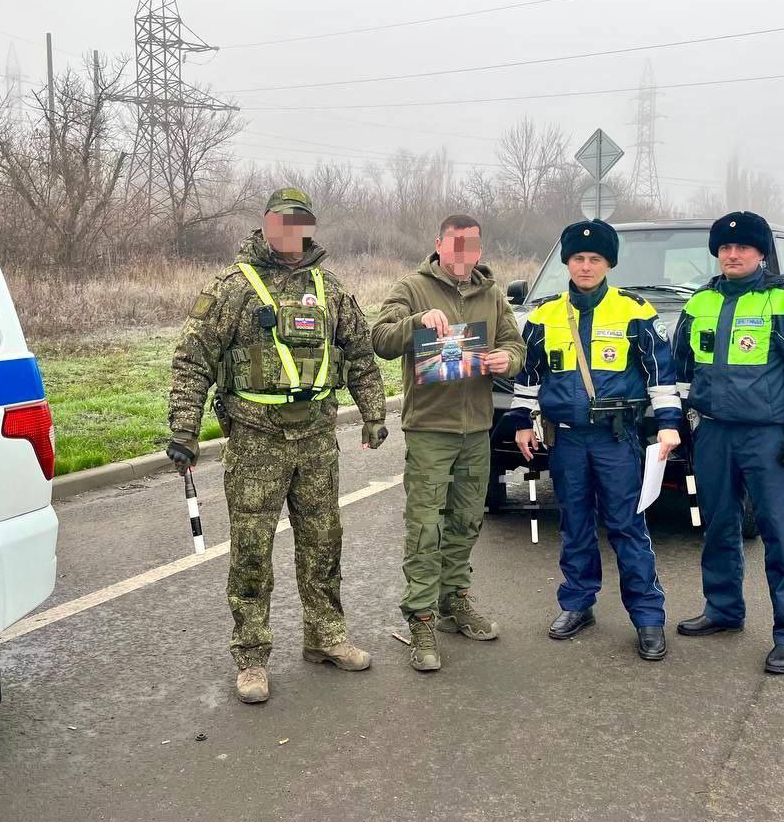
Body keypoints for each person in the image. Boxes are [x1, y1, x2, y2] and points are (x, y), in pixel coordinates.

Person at [166, 187, 389, 704]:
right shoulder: (231, 287)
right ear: (266, 223)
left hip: (315, 439)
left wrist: (375, 413)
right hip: (256, 440)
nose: (291, 231)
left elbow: (357, 352)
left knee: (323, 543)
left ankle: (325, 636)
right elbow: (192, 360)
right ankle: (251, 656)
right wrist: (183, 430)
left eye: (300, 221)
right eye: (282, 220)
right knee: (251, 552)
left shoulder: (329, 288)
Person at [506, 219, 683, 661]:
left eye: (595, 259)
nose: (586, 266)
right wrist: (524, 421)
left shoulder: (634, 311)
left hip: (614, 439)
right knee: (575, 524)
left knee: (627, 525)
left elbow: (662, 374)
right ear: (567, 261)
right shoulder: (544, 316)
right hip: (567, 441)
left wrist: (667, 422)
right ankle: (578, 604)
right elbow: (529, 378)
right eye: (578, 258)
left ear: (609, 264)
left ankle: (647, 617)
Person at [672, 211, 784, 675]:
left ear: (761, 253)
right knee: (718, 526)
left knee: (780, 535)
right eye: (725, 248)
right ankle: (723, 609)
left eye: (743, 247)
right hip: (714, 432)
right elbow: (682, 367)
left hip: (769, 435)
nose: (733, 254)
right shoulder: (700, 302)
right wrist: (682, 421)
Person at [371, 214, 526, 672]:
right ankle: (420, 616)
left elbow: (515, 346)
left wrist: (507, 360)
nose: (463, 255)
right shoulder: (412, 288)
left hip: (476, 427)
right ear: (439, 244)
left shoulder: (493, 294)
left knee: (465, 518)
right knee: (425, 525)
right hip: (430, 428)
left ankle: (453, 600)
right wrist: (418, 322)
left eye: (471, 246)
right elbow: (379, 339)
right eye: (454, 245)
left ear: (479, 249)